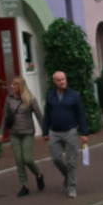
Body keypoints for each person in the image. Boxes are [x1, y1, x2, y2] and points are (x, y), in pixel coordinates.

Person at [42, 70, 89, 198]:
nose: (62, 82)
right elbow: (47, 114)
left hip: (70, 131)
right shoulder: (50, 96)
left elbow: (80, 115)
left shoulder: (74, 96)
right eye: (59, 80)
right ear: (54, 82)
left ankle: (72, 186)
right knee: (56, 158)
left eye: (63, 79)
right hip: (54, 132)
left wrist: (84, 133)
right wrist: (45, 131)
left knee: (71, 161)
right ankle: (67, 176)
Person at [0, 76, 44, 197]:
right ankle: (25, 185)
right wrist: (1, 132)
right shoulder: (9, 99)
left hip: (27, 133)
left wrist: (45, 131)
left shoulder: (30, 99)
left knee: (27, 159)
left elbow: (39, 116)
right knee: (19, 160)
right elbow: (5, 117)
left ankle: (39, 175)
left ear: (20, 86)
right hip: (14, 134)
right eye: (12, 84)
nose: (12, 87)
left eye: (14, 85)